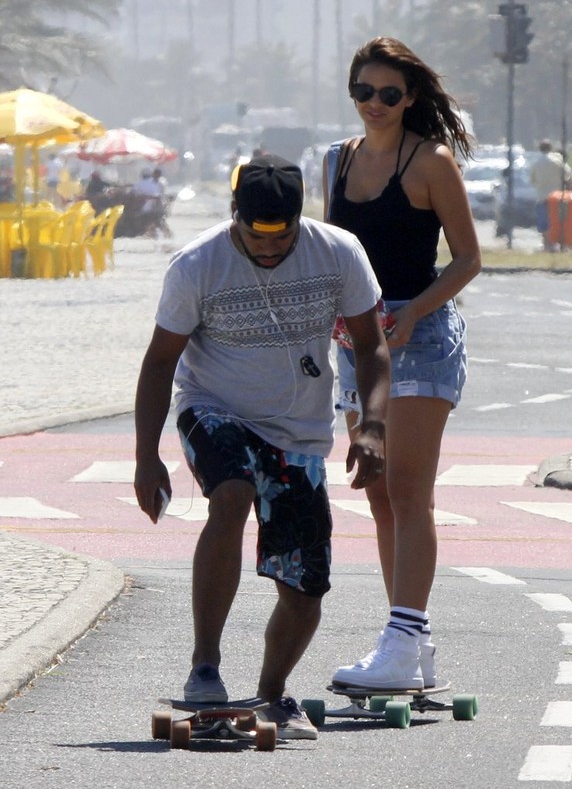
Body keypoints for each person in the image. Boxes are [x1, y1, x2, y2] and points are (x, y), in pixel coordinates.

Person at [134, 154, 391, 739]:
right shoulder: (197, 265)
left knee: (304, 583)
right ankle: (205, 665)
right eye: (256, 238)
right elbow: (159, 363)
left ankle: (272, 695)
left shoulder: (339, 252)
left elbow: (371, 347)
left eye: (283, 238)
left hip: (297, 431)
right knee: (232, 493)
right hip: (212, 406)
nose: (270, 251)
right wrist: (146, 457)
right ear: (236, 217)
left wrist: (372, 424)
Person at [324, 36, 480, 692]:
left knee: (411, 492)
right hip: (357, 342)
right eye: (364, 92)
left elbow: (468, 260)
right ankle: (409, 644)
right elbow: (332, 252)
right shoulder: (336, 159)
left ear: (410, 97)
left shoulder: (431, 161)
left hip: (420, 338)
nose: (375, 104)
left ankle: (403, 638)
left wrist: (413, 312)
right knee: (380, 493)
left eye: (389, 93)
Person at [530, 139, 572, 251]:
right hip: (557, 197)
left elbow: (533, 180)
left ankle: (547, 246)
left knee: (544, 224)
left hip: (542, 196)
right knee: (558, 221)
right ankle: (560, 246)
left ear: (540, 149)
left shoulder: (536, 163)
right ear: (551, 148)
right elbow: (568, 175)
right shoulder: (558, 160)